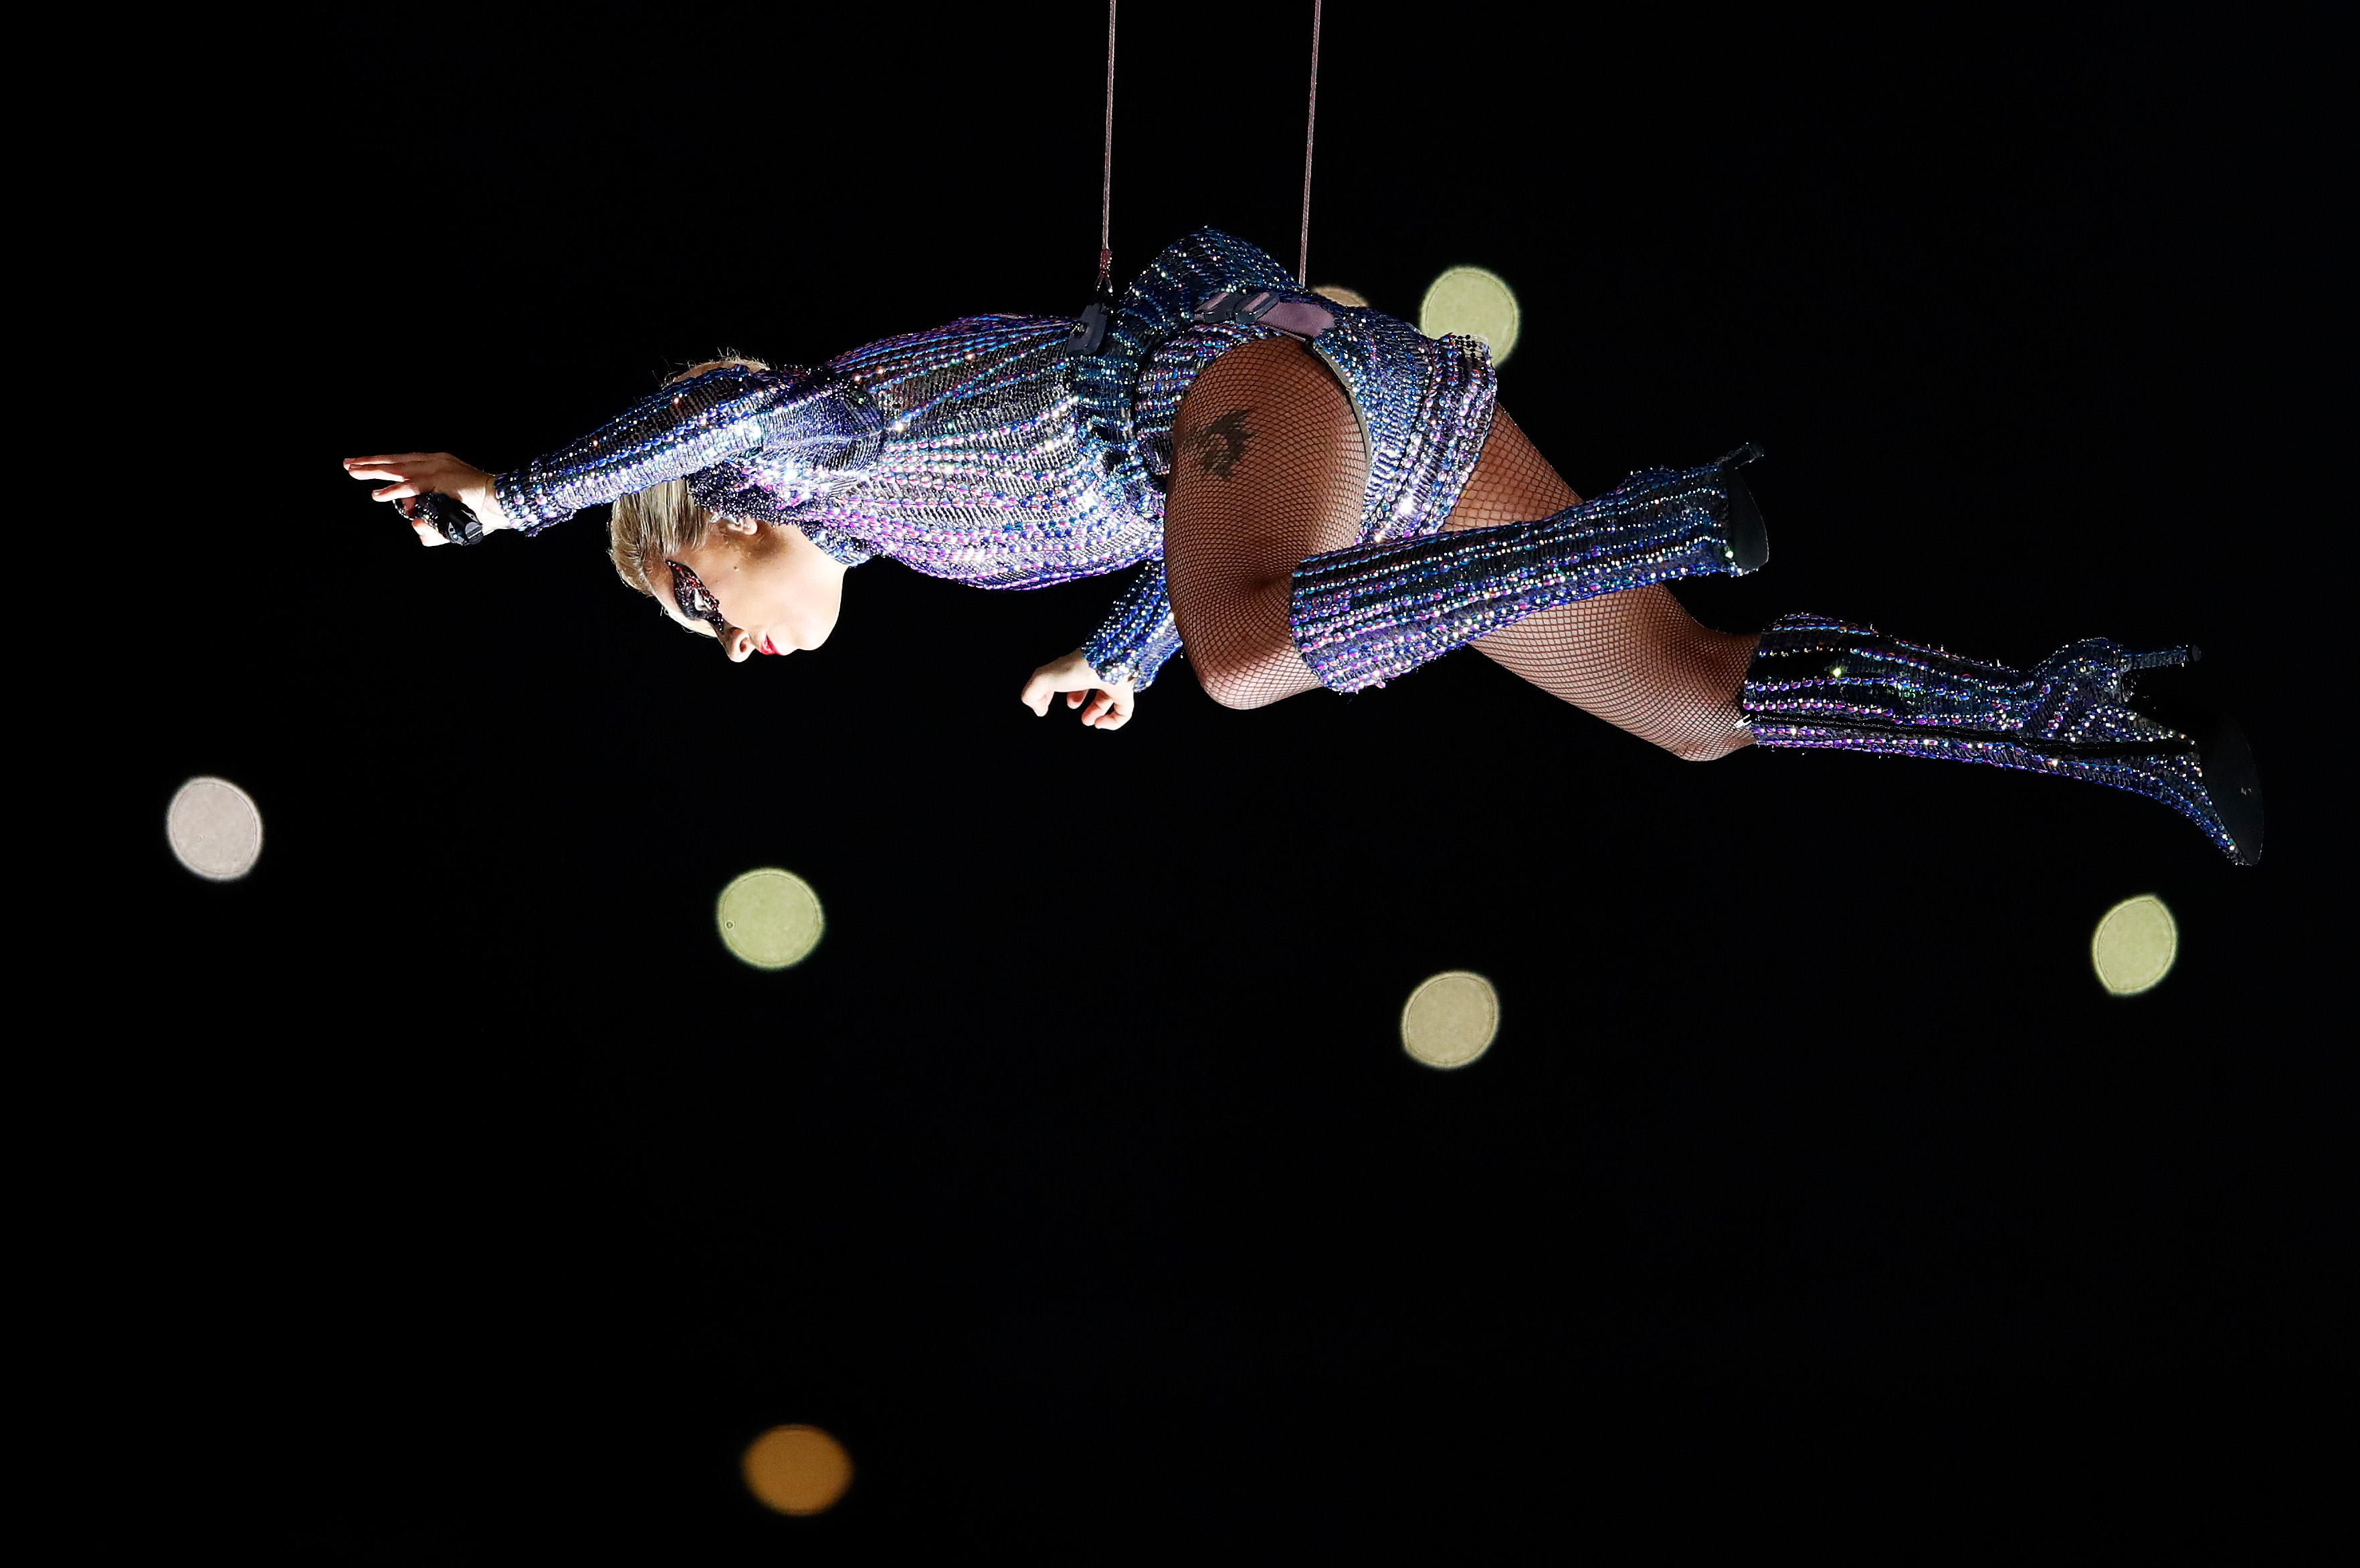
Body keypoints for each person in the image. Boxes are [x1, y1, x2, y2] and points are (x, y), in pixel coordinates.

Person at [344, 228, 2261, 863]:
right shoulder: (920, 548)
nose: (732, 643)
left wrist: (519, 496)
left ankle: (1668, 511)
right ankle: (2089, 724)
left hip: (1270, 385)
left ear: (715, 519)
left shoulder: (821, 437)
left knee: (1260, 654)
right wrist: (1132, 653)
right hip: (1389, 440)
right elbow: (1194, 550)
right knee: (1682, 705)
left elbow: (719, 397)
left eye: (694, 603)